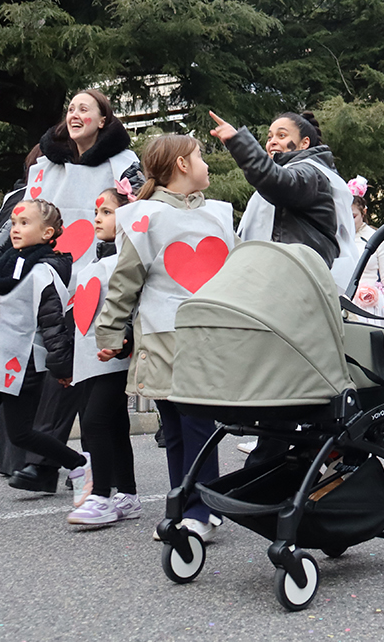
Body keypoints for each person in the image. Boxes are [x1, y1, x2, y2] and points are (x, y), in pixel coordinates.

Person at [0, 89, 141, 494]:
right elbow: (20, 211)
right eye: (71, 108)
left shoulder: (124, 164)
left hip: (99, 277)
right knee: (52, 366)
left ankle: (70, 466)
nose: (75, 114)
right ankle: (48, 460)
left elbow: (140, 210)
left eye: (84, 108)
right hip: (50, 274)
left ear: (103, 120)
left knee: (85, 370)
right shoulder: (45, 163)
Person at [97, 134, 236, 542]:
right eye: (200, 157)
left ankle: (199, 509)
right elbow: (125, 281)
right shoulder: (144, 216)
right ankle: (187, 504)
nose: (206, 165)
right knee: (175, 426)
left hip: (208, 334)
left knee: (197, 423)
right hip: (161, 335)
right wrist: (109, 330)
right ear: (181, 164)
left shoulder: (219, 215)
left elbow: (241, 267)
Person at [0, 198, 93, 521]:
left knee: (22, 433)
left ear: (48, 232)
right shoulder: (4, 266)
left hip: (21, 364)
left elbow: (52, 324)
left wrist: (62, 368)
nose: (15, 229)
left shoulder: (44, 272)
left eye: (25, 223)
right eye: (13, 222)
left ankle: (80, 465)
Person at [62, 188, 143, 528]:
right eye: (97, 211)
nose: (98, 218)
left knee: (95, 420)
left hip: (114, 356)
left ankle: (101, 496)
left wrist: (123, 340)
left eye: (108, 212)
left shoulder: (131, 258)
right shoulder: (96, 260)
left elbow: (132, 304)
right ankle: (127, 494)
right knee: (114, 425)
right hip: (90, 356)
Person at [210, 109, 358, 288]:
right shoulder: (290, 176)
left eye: (281, 135)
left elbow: (277, 182)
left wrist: (239, 143)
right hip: (278, 282)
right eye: (269, 137)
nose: (272, 142)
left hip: (297, 284)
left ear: (304, 143)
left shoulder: (311, 174)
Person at [349, 180, 384, 319]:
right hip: (343, 302)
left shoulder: (376, 238)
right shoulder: (337, 237)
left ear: (364, 212)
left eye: (353, 216)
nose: (348, 221)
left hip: (370, 305)